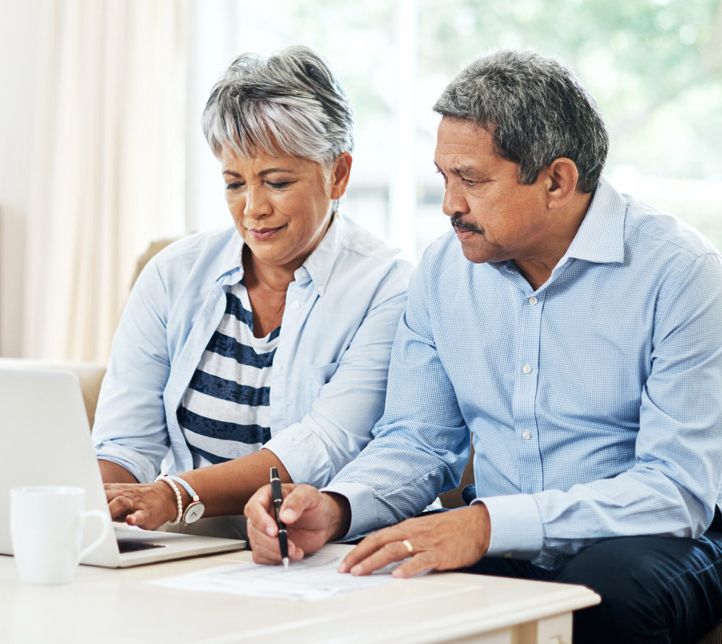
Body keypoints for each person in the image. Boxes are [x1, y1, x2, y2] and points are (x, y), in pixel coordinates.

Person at [245, 50, 722, 643]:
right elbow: (418, 440)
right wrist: (338, 507)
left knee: (606, 593)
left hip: (651, 540)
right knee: (381, 575)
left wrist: (488, 524)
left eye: (472, 180)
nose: (450, 205)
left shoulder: (681, 272)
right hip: (498, 533)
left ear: (557, 180)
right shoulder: (443, 272)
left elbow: (677, 491)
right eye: (444, 178)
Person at [92, 46, 412, 538]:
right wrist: (91, 503)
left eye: (277, 182)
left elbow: (323, 445)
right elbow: (124, 446)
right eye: (234, 183)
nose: (253, 208)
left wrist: (172, 495)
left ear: (339, 174)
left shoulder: (388, 286)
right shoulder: (171, 275)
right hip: (189, 545)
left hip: (325, 551)